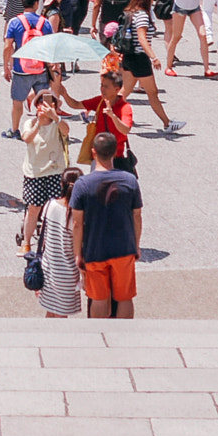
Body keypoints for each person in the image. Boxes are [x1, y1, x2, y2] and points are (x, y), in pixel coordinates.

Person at [70, 133, 142, 320]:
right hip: (124, 247)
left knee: (99, 299)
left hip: (95, 249)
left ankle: (99, 338)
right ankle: (125, 337)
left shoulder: (82, 184)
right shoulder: (129, 180)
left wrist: (78, 253)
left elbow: (77, 223)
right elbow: (137, 215)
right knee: (125, 298)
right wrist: (136, 244)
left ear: (93, 152)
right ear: (115, 152)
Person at [114, 0, 184, 134]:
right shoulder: (142, 16)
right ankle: (167, 123)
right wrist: (153, 57)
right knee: (152, 92)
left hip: (129, 56)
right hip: (139, 58)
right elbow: (142, 38)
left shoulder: (130, 13)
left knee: (124, 91)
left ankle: (102, 112)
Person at [18, 90, 68, 254]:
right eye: (40, 103)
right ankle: (26, 242)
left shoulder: (57, 124)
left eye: (47, 103)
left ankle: (51, 244)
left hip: (55, 172)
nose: (43, 107)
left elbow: (66, 131)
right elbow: (26, 138)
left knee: (55, 209)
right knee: (34, 208)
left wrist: (55, 117)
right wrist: (39, 123)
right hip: (35, 173)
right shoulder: (30, 123)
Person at [34, 164, 83, 318]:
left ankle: (45, 340)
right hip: (67, 272)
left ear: (61, 184)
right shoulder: (77, 214)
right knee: (61, 315)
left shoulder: (50, 205)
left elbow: (43, 236)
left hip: (48, 267)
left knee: (50, 310)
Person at [4, 0, 51, 137]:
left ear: (22, 3)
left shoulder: (14, 22)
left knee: (17, 102)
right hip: (41, 68)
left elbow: (8, 46)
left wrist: (6, 66)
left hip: (21, 69)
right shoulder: (45, 23)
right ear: (37, 4)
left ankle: (15, 130)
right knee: (43, 101)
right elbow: (50, 45)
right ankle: (43, 129)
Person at [67, 69, 136, 165]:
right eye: (101, 85)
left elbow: (126, 130)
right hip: (97, 155)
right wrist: (63, 93)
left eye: (106, 86)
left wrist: (112, 116)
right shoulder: (100, 101)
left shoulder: (125, 107)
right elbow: (76, 105)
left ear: (117, 89)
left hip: (115, 158)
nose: (102, 89)